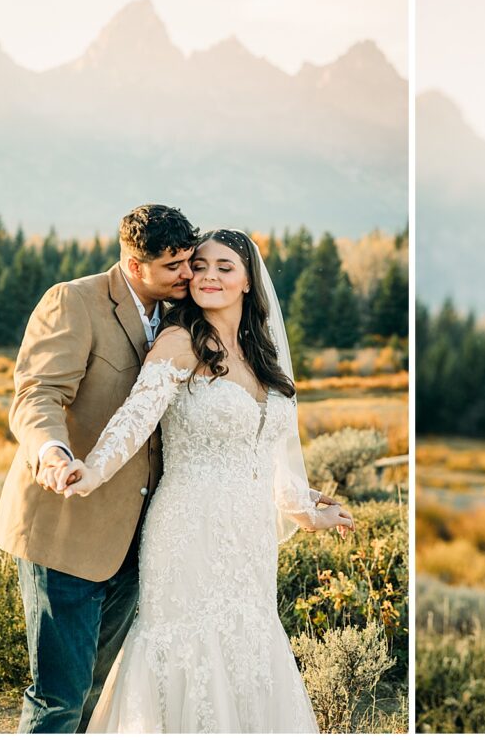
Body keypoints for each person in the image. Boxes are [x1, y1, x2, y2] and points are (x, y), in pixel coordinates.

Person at [54, 229, 354, 733]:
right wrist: (91, 470)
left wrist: (306, 510)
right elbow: (136, 418)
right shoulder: (181, 341)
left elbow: (268, 457)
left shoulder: (264, 357)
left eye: (225, 267)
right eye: (200, 265)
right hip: (188, 529)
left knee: (247, 645)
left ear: (247, 282)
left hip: (251, 538)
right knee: (184, 648)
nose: (208, 275)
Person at [0, 204, 199, 732]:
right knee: (59, 698)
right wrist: (51, 453)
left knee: (100, 695)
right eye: (173, 265)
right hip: (66, 527)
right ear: (134, 264)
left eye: (189, 260)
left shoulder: (185, 315)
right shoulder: (74, 301)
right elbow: (38, 393)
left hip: (136, 540)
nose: (187, 274)